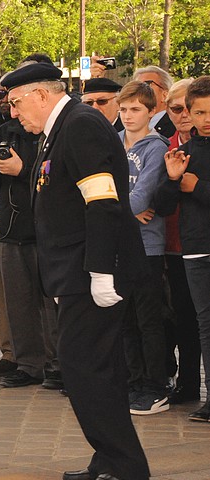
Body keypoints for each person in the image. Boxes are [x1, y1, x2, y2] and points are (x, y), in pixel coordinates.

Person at [3, 62, 149, 480]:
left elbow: (102, 202)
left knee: (85, 371)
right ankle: (111, 461)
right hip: (78, 273)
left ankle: (125, 467)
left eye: (16, 102)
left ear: (41, 95)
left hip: (92, 274)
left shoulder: (79, 125)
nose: (14, 113)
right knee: (96, 372)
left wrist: (101, 272)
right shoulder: (61, 128)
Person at [0, 69, 61, 391]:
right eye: (4, 99)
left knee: (49, 305)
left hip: (42, 231)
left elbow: (50, 180)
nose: (10, 108)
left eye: (13, 100)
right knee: (18, 303)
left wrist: (22, 169)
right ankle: (29, 365)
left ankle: (57, 365)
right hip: (10, 229)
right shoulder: (2, 132)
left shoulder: (46, 132)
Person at [155, 75, 210, 423]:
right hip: (195, 250)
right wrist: (174, 179)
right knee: (204, 325)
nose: (206, 119)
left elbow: (198, 190)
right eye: (200, 112)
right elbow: (162, 205)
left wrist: (198, 186)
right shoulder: (184, 152)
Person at [116, 80, 172, 415]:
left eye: (135, 109)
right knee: (124, 321)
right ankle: (133, 382)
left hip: (148, 246)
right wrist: (126, 213)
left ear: (151, 111)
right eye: (123, 109)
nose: (128, 115)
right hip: (118, 247)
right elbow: (90, 192)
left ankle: (156, 386)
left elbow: (142, 196)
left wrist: (112, 210)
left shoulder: (156, 146)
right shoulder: (113, 142)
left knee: (148, 320)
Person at [160, 78, 201, 405]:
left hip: (199, 245)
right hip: (174, 247)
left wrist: (197, 187)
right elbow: (161, 202)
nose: (186, 115)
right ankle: (187, 385)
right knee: (184, 319)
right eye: (178, 109)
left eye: (195, 108)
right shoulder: (167, 145)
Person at [133, 66, 176, 139]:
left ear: (165, 95)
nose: (139, 90)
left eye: (146, 84)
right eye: (136, 85)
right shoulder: (128, 124)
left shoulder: (175, 125)